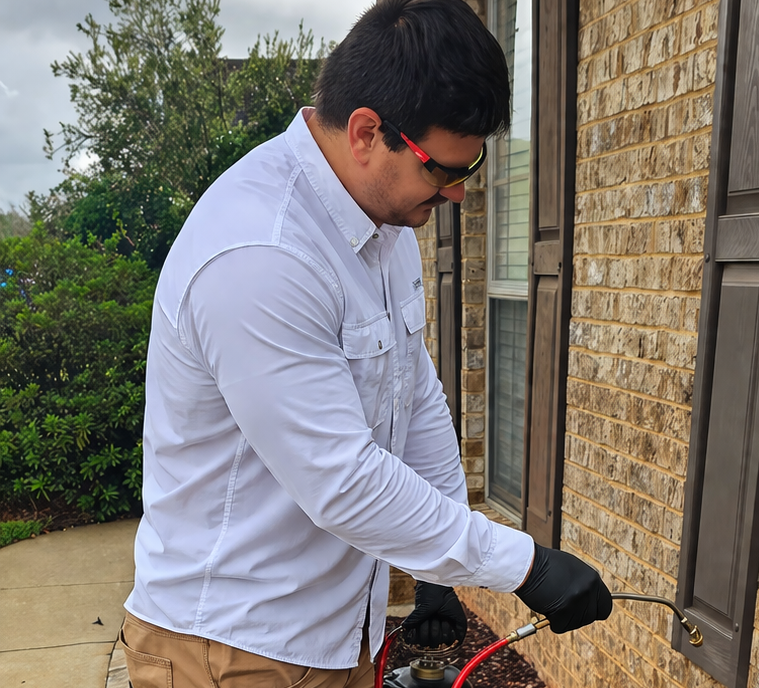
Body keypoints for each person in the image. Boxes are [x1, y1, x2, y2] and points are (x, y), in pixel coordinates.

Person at [121, 1, 612, 686]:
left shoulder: (384, 231)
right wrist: (521, 563)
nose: (460, 195)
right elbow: (342, 480)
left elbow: (414, 399)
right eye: (443, 171)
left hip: (334, 635)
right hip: (230, 649)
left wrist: (444, 569)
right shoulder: (262, 252)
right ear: (366, 133)